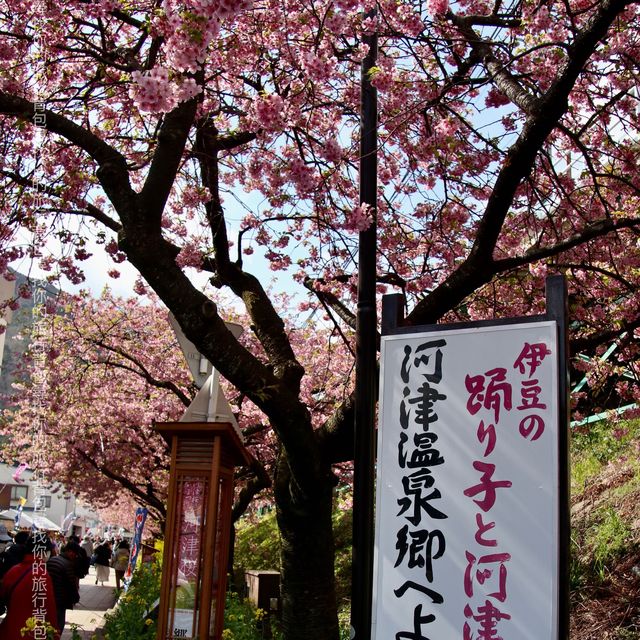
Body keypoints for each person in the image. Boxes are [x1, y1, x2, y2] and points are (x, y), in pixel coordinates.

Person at [0, 534, 58, 639]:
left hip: (8, 630)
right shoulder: (41, 575)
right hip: (32, 633)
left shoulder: (13, 570)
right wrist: (54, 634)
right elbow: (49, 610)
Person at [47, 541, 81, 634]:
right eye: (75, 554)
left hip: (48, 597)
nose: (75, 557)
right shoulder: (68, 564)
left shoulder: (52, 560)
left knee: (47, 624)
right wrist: (75, 598)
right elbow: (71, 584)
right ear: (70, 552)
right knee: (58, 625)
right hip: (60, 599)